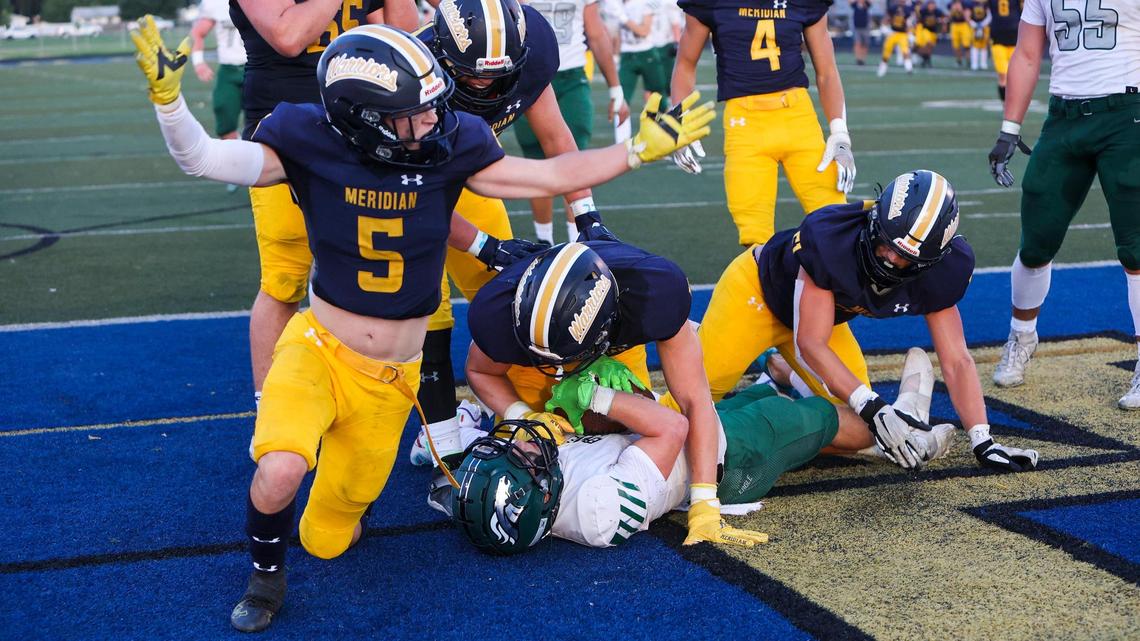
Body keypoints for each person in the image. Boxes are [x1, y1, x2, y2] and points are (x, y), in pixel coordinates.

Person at [130, 18, 712, 632]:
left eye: (434, 107)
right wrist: (170, 104)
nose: (434, 121)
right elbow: (203, 158)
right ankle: (265, 576)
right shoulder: (306, 141)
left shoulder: (449, 145)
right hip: (319, 349)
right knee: (279, 469)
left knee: (329, 538)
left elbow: (545, 175)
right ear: (365, 119)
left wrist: (636, 152)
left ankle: (338, 503)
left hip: (390, 382)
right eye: (415, 114)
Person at [432, 347, 953, 552]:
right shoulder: (596, 512)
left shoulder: (520, 501)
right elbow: (671, 429)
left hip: (692, 440)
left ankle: (783, 388)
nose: (521, 444)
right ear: (537, 500)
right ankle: (905, 431)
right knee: (816, 421)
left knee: (753, 395)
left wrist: (529, 423)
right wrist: (595, 394)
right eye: (521, 458)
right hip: (726, 463)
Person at [694, 169, 1040, 473]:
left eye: (903, 258)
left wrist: (982, 438)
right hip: (757, 297)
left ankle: (780, 378)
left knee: (860, 429)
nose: (889, 258)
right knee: (690, 406)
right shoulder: (831, 239)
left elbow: (956, 359)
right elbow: (810, 342)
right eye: (885, 244)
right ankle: (766, 368)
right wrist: (871, 404)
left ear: (930, 261)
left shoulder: (942, 271)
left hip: (821, 322)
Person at [410, 0, 633, 464]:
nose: (484, 84)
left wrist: (588, 216)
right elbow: (424, 196)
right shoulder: (417, 80)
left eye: (497, 73)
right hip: (409, 187)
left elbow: (556, 139)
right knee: (422, 308)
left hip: (473, 170)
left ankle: (516, 409)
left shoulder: (532, 54)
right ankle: (438, 434)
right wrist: (485, 245)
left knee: (508, 297)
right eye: (472, 74)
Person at [454, 234, 769, 547]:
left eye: (567, 360)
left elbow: (693, 400)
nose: (559, 373)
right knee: (524, 445)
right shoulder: (501, 313)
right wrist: (525, 414)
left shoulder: (654, 296)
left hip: (619, 355)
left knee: (620, 419)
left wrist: (704, 502)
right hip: (535, 351)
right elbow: (479, 370)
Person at [231, 0, 418, 414]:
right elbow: (288, 37)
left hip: (360, 129)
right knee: (284, 278)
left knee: (368, 271)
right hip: (283, 131)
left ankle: (358, 391)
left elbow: (401, 39)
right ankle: (270, 408)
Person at [987, 0, 1140, 409]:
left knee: (1136, 246)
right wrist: (1009, 129)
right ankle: (1022, 335)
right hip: (1065, 116)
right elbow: (1027, 52)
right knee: (1036, 240)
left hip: (1128, 114)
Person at [671, 0, 855, 247]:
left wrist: (840, 133)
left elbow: (827, 70)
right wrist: (680, 121)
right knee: (755, 239)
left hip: (798, 118)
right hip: (745, 125)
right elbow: (685, 63)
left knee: (835, 222)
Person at [512, 0, 631, 245]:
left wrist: (616, 89)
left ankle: (579, 240)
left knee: (575, 162)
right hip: (529, 74)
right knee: (535, 163)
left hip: (571, 77)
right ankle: (543, 242)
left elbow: (596, 34)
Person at [189, 0, 246, 180]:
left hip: (256, 66)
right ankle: (239, 168)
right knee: (224, 119)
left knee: (264, 120)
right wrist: (198, 63)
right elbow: (198, 32)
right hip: (228, 69)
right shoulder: (214, 3)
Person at [987, 0, 1020, 101]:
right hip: (998, 39)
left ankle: (1015, 103)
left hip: (1014, 38)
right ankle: (1006, 105)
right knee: (1003, 75)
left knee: (1015, 75)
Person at [878, 0, 915, 76]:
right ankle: (883, 67)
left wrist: (910, 33)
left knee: (905, 50)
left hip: (903, 34)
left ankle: (909, 68)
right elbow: (887, 18)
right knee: (887, 50)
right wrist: (884, 26)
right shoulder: (893, 8)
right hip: (893, 32)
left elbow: (910, 23)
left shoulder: (908, 9)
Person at [913, 0, 944, 68]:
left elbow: (944, 18)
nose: (931, 6)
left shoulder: (938, 12)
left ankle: (926, 59)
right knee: (928, 43)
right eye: (930, 5)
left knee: (930, 47)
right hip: (925, 30)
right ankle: (925, 58)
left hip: (933, 31)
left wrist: (941, 22)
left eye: (933, 5)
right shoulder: (924, 11)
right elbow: (918, 19)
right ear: (928, 5)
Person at [947, 0, 972, 68]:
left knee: (966, 45)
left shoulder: (966, 3)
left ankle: (968, 61)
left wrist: (961, 10)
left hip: (964, 24)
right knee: (956, 46)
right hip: (954, 25)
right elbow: (949, 17)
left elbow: (968, 16)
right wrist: (953, 10)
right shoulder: (951, 4)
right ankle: (959, 61)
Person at [968, 0, 990, 70]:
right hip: (974, 26)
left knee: (984, 45)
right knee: (974, 44)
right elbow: (967, 15)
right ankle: (974, 63)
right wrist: (974, 24)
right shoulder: (970, 3)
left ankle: (983, 63)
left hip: (984, 26)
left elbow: (990, 15)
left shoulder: (986, 4)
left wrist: (983, 24)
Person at [850, 0, 872, 66]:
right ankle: (858, 59)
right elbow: (849, 2)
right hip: (856, 27)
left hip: (865, 27)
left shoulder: (866, 4)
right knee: (857, 43)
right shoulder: (855, 4)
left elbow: (870, 3)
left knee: (865, 44)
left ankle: (863, 59)